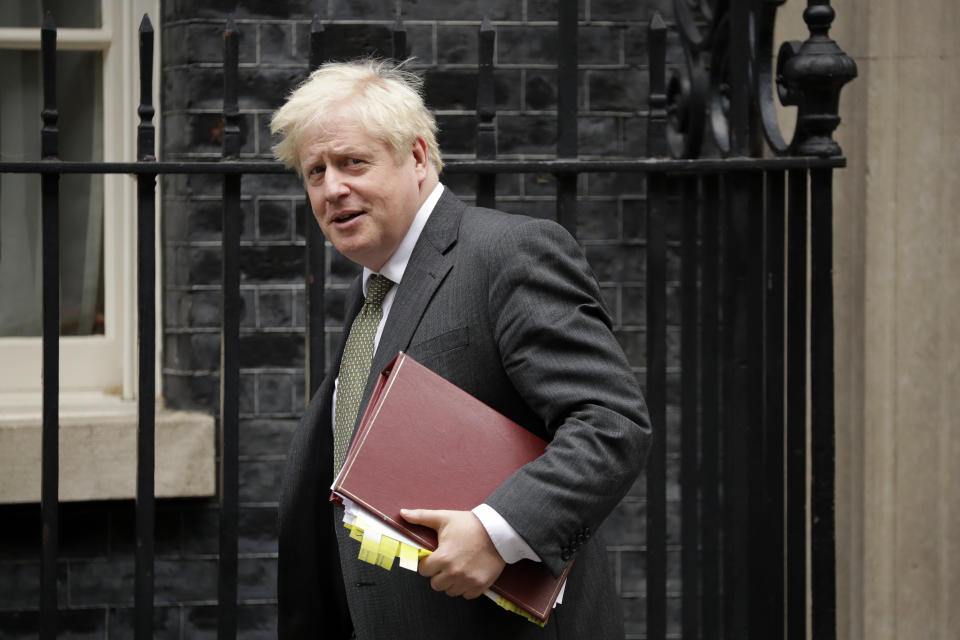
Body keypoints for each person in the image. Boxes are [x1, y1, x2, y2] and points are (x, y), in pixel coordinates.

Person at [271, 58, 651, 640]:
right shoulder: (371, 291)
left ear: (418, 157)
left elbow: (611, 423)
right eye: (314, 171)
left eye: (353, 162)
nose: (332, 188)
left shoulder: (509, 254)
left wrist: (498, 530)